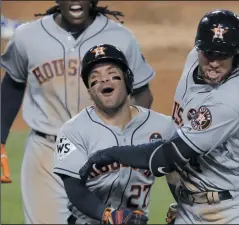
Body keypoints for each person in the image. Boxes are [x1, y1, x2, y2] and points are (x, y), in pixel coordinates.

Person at [79, 9, 239, 224]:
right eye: (209, 52)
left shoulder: (229, 101)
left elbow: (169, 157)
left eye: (223, 56)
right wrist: (183, 199)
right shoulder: (194, 60)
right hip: (191, 207)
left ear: (238, 56)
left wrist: (112, 154)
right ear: (198, 48)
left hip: (230, 211)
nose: (214, 63)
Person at [0, 0, 155, 223]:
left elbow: (143, 94)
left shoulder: (120, 37)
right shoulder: (28, 37)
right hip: (46, 154)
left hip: (103, 154)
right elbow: (12, 85)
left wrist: (129, 142)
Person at [53, 44, 176, 224]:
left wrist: (182, 203)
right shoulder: (73, 130)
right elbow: (74, 190)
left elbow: (180, 170)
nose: (103, 80)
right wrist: (109, 215)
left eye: (111, 73)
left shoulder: (162, 126)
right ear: (90, 91)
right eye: (94, 77)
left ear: (127, 79)